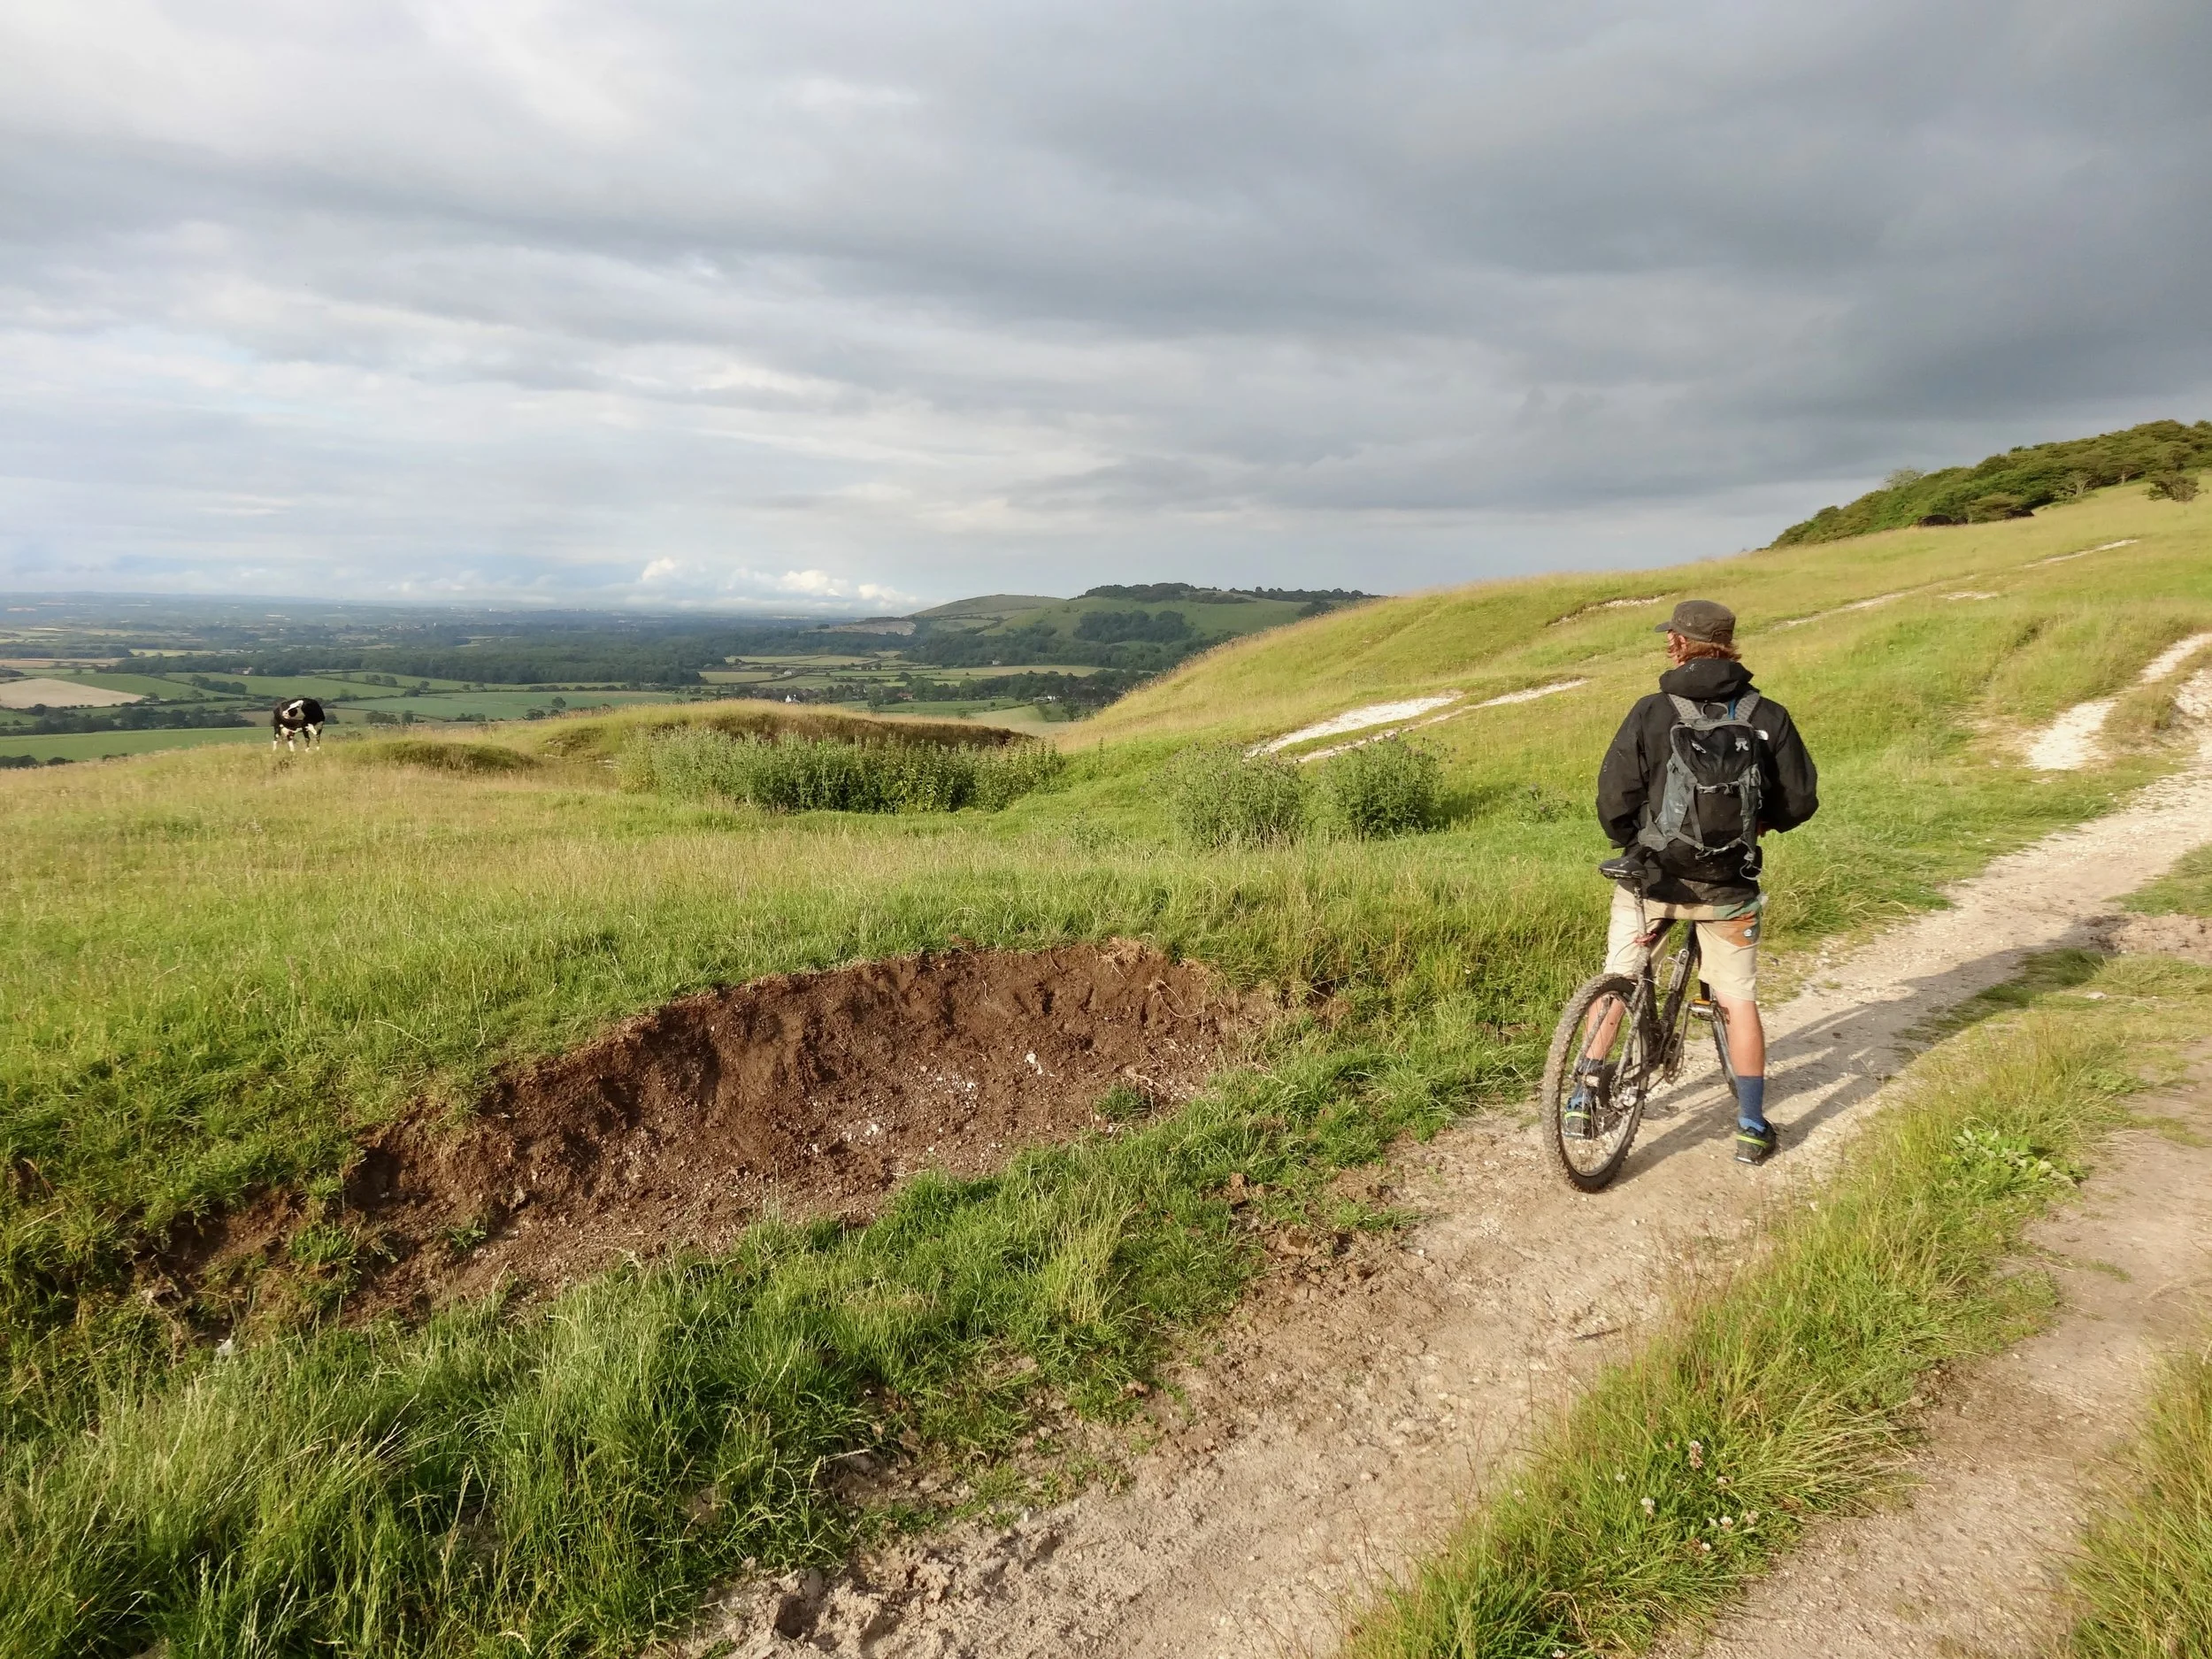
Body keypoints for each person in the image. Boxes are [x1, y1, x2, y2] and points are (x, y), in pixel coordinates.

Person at [1588, 598, 1819, 1164]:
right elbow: (1799, 800)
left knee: (1621, 978)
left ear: (1677, 643)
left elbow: (1614, 797)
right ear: (1729, 644)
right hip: (1728, 886)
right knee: (1737, 998)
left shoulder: (1651, 711)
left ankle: (1582, 1093)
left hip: (1653, 880)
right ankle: (1751, 1125)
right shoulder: (1768, 715)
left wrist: (1634, 842)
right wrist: (1760, 824)